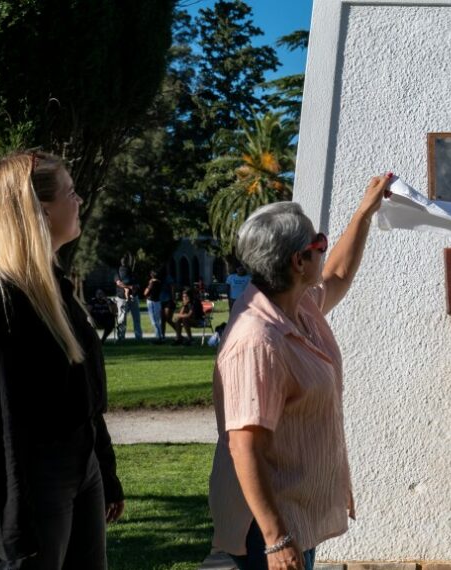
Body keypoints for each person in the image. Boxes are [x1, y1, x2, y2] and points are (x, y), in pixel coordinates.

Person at [208, 173, 391, 570]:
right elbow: (245, 446)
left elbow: (339, 275)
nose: (324, 252)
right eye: (319, 245)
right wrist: (276, 540)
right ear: (298, 261)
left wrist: (365, 211)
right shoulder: (257, 341)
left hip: (294, 517)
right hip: (266, 528)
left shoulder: (298, 306)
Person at [0, 151, 125, 569]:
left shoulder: (51, 286)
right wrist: (12, 523)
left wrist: (103, 467)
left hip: (75, 464)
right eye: (71, 192)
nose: (80, 200)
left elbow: (79, 391)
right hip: (25, 479)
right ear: (41, 211)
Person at [114, 263, 142, 340]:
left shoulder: (132, 274)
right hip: (121, 298)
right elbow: (118, 283)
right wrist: (129, 287)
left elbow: (137, 286)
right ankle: (121, 336)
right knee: (122, 318)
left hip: (133, 297)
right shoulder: (117, 274)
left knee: (136, 318)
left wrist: (131, 288)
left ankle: (138, 336)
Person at [144, 270, 165, 344]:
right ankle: (159, 336)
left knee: (154, 321)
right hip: (158, 301)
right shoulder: (159, 282)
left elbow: (146, 292)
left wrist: (149, 284)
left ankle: (159, 337)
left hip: (152, 302)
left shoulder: (152, 283)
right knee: (158, 320)